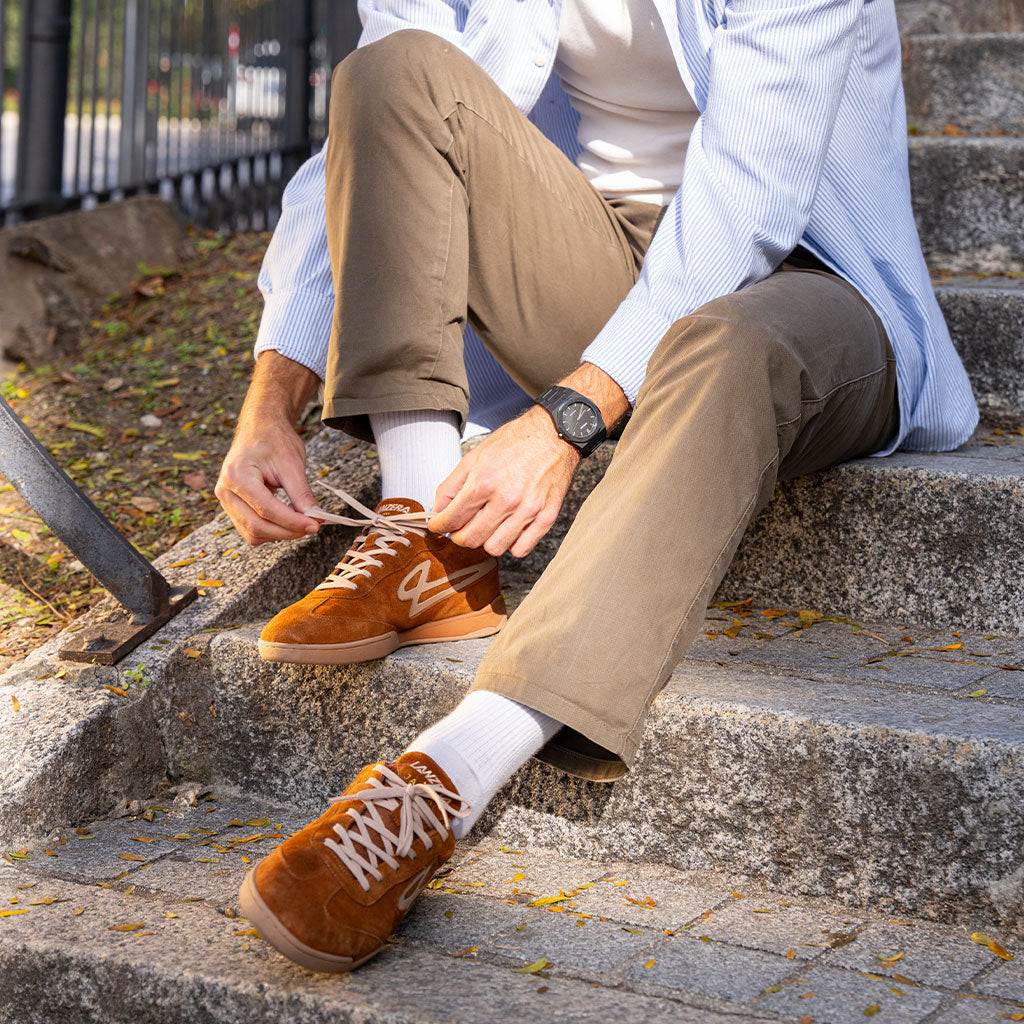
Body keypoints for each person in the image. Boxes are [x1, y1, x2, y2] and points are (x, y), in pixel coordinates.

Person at [219, 0, 978, 973]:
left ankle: (442, 779)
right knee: (390, 72)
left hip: (807, 288)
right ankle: (426, 533)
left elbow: (753, 192)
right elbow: (360, 150)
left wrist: (566, 420)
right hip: (598, 258)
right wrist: (271, 395)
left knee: (721, 343)